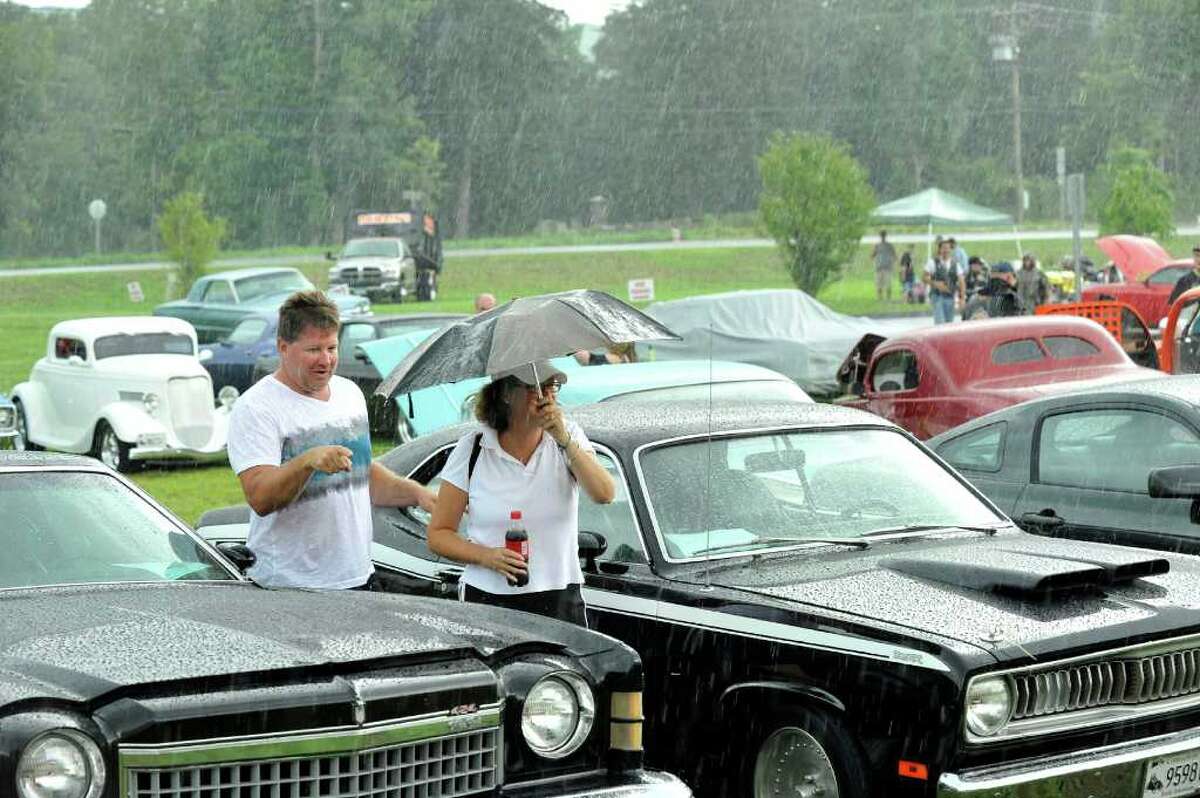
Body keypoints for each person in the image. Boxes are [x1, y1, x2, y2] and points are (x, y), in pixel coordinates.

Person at [228, 290, 437, 590]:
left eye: (332, 348)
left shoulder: (349, 394)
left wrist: (418, 494)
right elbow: (260, 498)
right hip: (291, 586)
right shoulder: (257, 407)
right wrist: (307, 461)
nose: (325, 360)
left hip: (358, 577)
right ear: (283, 347)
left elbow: (362, 474)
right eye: (314, 349)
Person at [427, 361, 616, 625]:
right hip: (488, 598)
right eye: (535, 387)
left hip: (558, 595)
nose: (546, 396)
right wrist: (487, 556)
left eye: (552, 387)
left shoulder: (568, 437)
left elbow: (604, 493)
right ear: (506, 394)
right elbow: (438, 534)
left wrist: (562, 438)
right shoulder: (472, 449)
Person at [923, 238, 962, 324]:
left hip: (950, 297)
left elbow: (961, 281)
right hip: (937, 296)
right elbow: (924, 277)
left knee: (949, 323)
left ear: (951, 249)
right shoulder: (933, 262)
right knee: (940, 322)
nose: (946, 250)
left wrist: (962, 298)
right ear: (940, 249)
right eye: (944, 248)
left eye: (948, 248)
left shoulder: (955, 264)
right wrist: (935, 283)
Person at [871, 230, 897, 301]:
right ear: (880, 236)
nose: (883, 237)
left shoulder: (889, 246)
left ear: (885, 236)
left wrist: (893, 263)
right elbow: (872, 255)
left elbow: (894, 255)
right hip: (879, 267)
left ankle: (888, 298)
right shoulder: (877, 245)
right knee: (879, 284)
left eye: (883, 235)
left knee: (888, 283)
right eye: (882, 235)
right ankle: (880, 298)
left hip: (887, 267)